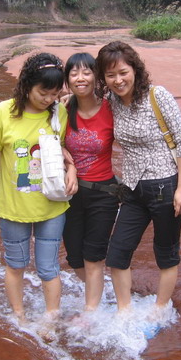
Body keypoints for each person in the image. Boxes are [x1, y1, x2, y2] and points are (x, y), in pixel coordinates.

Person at [0, 52, 77, 338]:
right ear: (27, 84)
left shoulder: (59, 112)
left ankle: (50, 319)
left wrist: (73, 170)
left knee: (48, 268)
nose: (48, 99)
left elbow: (65, 150)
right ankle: (19, 317)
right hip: (13, 208)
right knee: (15, 265)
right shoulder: (4, 111)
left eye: (55, 93)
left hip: (51, 206)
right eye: (43, 92)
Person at [95, 41, 181, 320]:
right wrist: (67, 100)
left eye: (123, 72)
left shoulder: (157, 96)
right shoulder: (112, 102)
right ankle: (125, 312)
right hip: (132, 189)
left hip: (165, 186)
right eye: (110, 75)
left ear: (135, 70)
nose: (118, 80)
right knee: (117, 253)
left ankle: (160, 309)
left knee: (166, 251)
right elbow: (86, 104)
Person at [62, 52, 120, 312]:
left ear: (96, 77)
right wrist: (69, 163)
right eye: (74, 73)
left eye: (86, 72)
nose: (80, 78)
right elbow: (47, 142)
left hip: (103, 193)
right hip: (69, 194)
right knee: (75, 258)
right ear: (67, 80)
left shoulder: (111, 109)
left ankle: (90, 312)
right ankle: (99, 294)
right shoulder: (62, 110)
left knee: (93, 257)